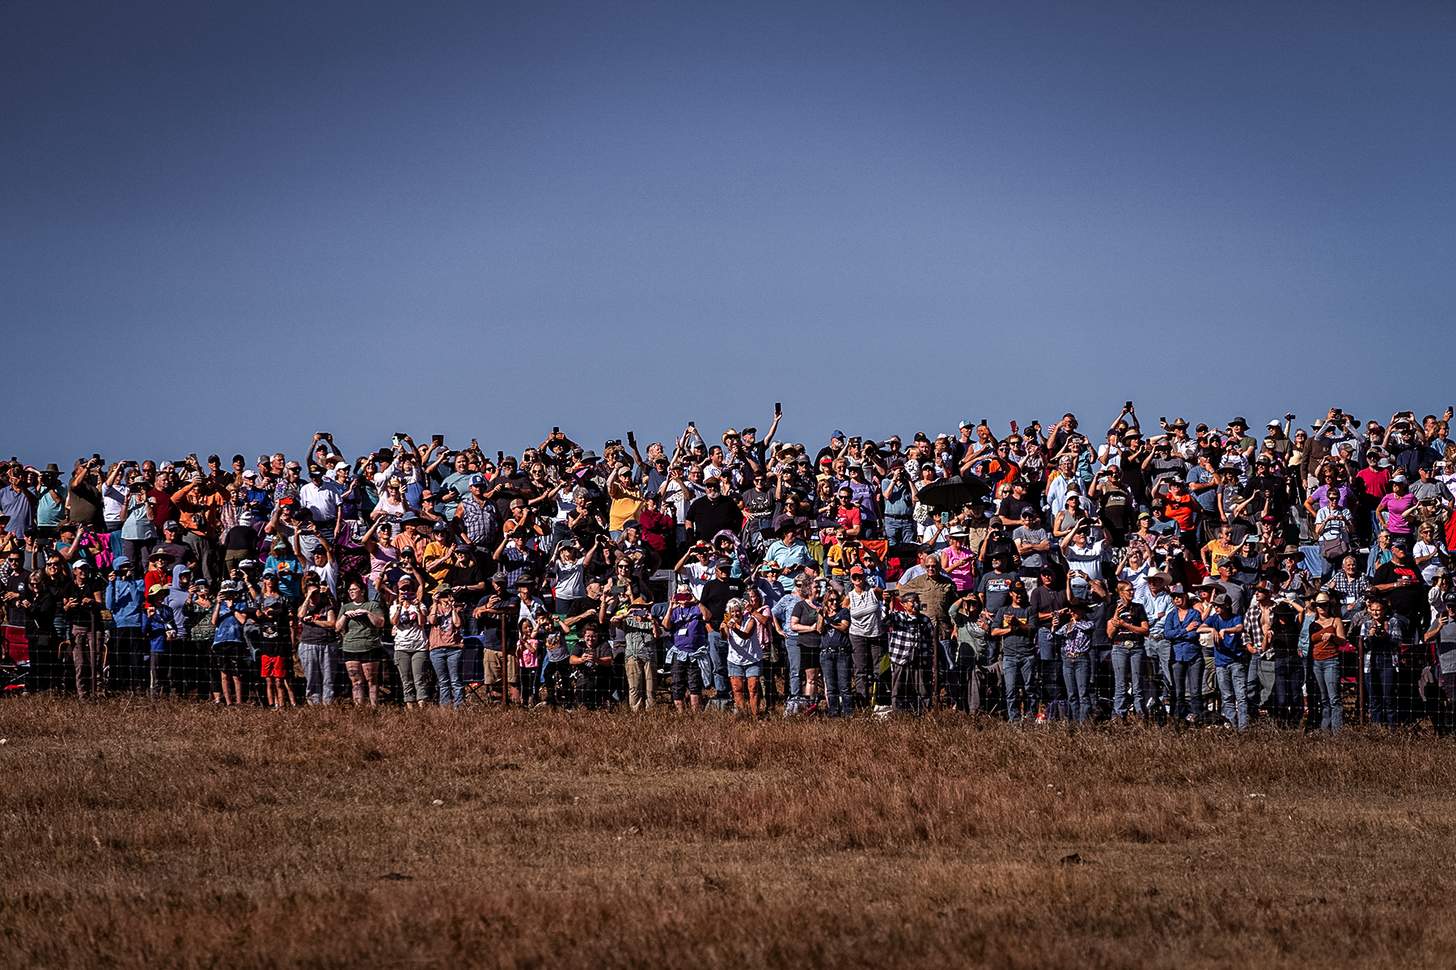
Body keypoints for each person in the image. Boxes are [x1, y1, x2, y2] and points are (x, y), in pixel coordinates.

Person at [1201, 595, 1250, 731]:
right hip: (1221, 663)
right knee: (1226, 696)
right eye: (1215, 605)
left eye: (1219, 605)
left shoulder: (1235, 618)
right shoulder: (1214, 619)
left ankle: (1243, 728)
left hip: (1236, 661)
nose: (1216, 608)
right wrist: (1212, 630)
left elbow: (1240, 627)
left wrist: (1225, 630)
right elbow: (1200, 628)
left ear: (1227, 606)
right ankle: (1231, 726)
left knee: (1241, 696)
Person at [336, 578, 386, 707]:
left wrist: (367, 613)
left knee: (371, 680)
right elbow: (337, 627)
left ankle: (374, 707)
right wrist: (345, 616)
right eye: (349, 590)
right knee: (356, 681)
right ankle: (360, 709)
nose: (351, 592)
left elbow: (380, 623)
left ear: (362, 591)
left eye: (354, 589)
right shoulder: (346, 607)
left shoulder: (372, 605)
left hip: (370, 646)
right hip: (350, 647)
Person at [884, 591, 933, 715]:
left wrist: (928, 656)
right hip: (901, 658)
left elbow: (931, 638)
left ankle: (922, 712)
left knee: (922, 688)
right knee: (899, 687)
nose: (916, 604)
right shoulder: (898, 617)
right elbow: (885, 618)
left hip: (920, 659)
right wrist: (886, 602)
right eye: (913, 601)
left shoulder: (924, 620)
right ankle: (899, 713)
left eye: (917, 601)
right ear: (904, 604)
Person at [1308, 592, 1347, 733]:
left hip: (1331, 660)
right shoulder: (1313, 624)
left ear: (1329, 605)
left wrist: (1333, 637)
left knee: (1334, 698)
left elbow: (1343, 641)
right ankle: (1325, 730)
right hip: (1316, 662)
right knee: (1324, 699)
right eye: (1319, 605)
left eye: (1324, 604)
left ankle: (1337, 732)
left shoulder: (1336, 621)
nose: (1322, 607)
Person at [296, 579, 339, 705]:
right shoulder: (304, 606)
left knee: (328, 676)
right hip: (308, 644)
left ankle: (328, 703)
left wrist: (314, 622)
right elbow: (300, 615)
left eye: (316, 593)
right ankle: (314, 703)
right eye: (311, 593)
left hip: (327, 644)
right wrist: (308, 596)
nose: (314, 596)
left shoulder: (327, 607)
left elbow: (332, 623)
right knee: (311, 676)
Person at [723, 596, 764, 716]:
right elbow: (724, 637)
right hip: (734, 660)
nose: (736, 614)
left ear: (742, 611)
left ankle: (755, 715)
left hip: (753, 658)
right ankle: (742, 715)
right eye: (733, 611)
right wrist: (723, 628)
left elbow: (746, 635)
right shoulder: (727, 621)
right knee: (737, 689)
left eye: (738, 610)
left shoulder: (750, 620)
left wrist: (734, 627)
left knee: (753, 688)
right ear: (729, 613)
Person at [428, 587, 466, 708]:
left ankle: (458, 707)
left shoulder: (457, 608)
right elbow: (432, 621)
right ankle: (445, 709)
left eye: (447, 594)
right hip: (437, 648)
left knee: (455, 680)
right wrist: (434, 603)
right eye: (442, 595)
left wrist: (453, 608)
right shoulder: (434, 607)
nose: (445, 597)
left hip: (454, 648)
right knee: (443, 681)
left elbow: (458, 624)